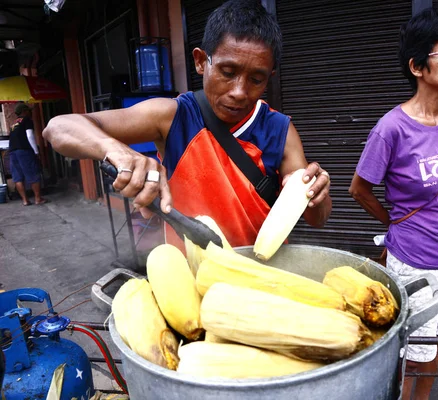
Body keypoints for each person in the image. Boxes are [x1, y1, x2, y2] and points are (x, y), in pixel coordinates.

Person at [43, 0, 331, 251]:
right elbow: (58, 128)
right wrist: (116, 150)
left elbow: (316, 220)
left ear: (269, 77)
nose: (240, 92)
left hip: (265, 278)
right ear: (200, 62)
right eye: (227, 72)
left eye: (256, 79)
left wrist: (317, 195)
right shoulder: (173, 116)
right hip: (194, 282)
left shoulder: (280, 130)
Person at [348, 8, 438, 400]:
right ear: (417, 66)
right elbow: (359, 188)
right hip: (416, 258)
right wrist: (396, 223)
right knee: (413, 353)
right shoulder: (391, 129)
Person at [9, 103, 47, 206]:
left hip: (12, 152)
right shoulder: (27, 120)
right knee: (33, 174)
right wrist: (36, 151)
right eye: (28, 110)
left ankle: (25, 200)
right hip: (24, 151)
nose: (30, 112)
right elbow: (30, 136)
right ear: (24, 111)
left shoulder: (13, 124)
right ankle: (38, 199)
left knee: (18, 177)